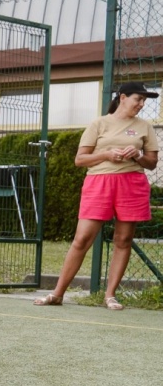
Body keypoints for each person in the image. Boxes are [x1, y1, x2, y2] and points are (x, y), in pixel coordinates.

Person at [36, 82, 160, 310]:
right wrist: (106, 155)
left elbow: (152, 163)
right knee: (82, 239)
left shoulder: (145, 127)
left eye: (144, 100)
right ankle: (57, 294)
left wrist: (137, 155)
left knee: (123, 240)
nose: (142, 104)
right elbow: (80, 160)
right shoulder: (98, 123)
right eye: (138, 99)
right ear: (122, 97)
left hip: (132, 184)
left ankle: (110, 296)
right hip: (99, 183)